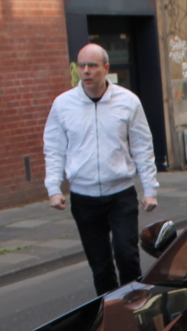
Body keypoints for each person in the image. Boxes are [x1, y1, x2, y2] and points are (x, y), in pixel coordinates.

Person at [44, 43, 158, 294]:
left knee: (127, 256)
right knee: (100, 266)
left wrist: (150, 188)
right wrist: (54, 187)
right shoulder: (63, 105)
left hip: (120, 194)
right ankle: (108, 314)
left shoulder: (128, 102)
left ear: (106, 68)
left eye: (92, 65)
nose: (86, 71)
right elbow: (54, 148)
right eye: (81, 65)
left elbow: (142, 145)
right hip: (84, 197)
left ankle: (133, 308)